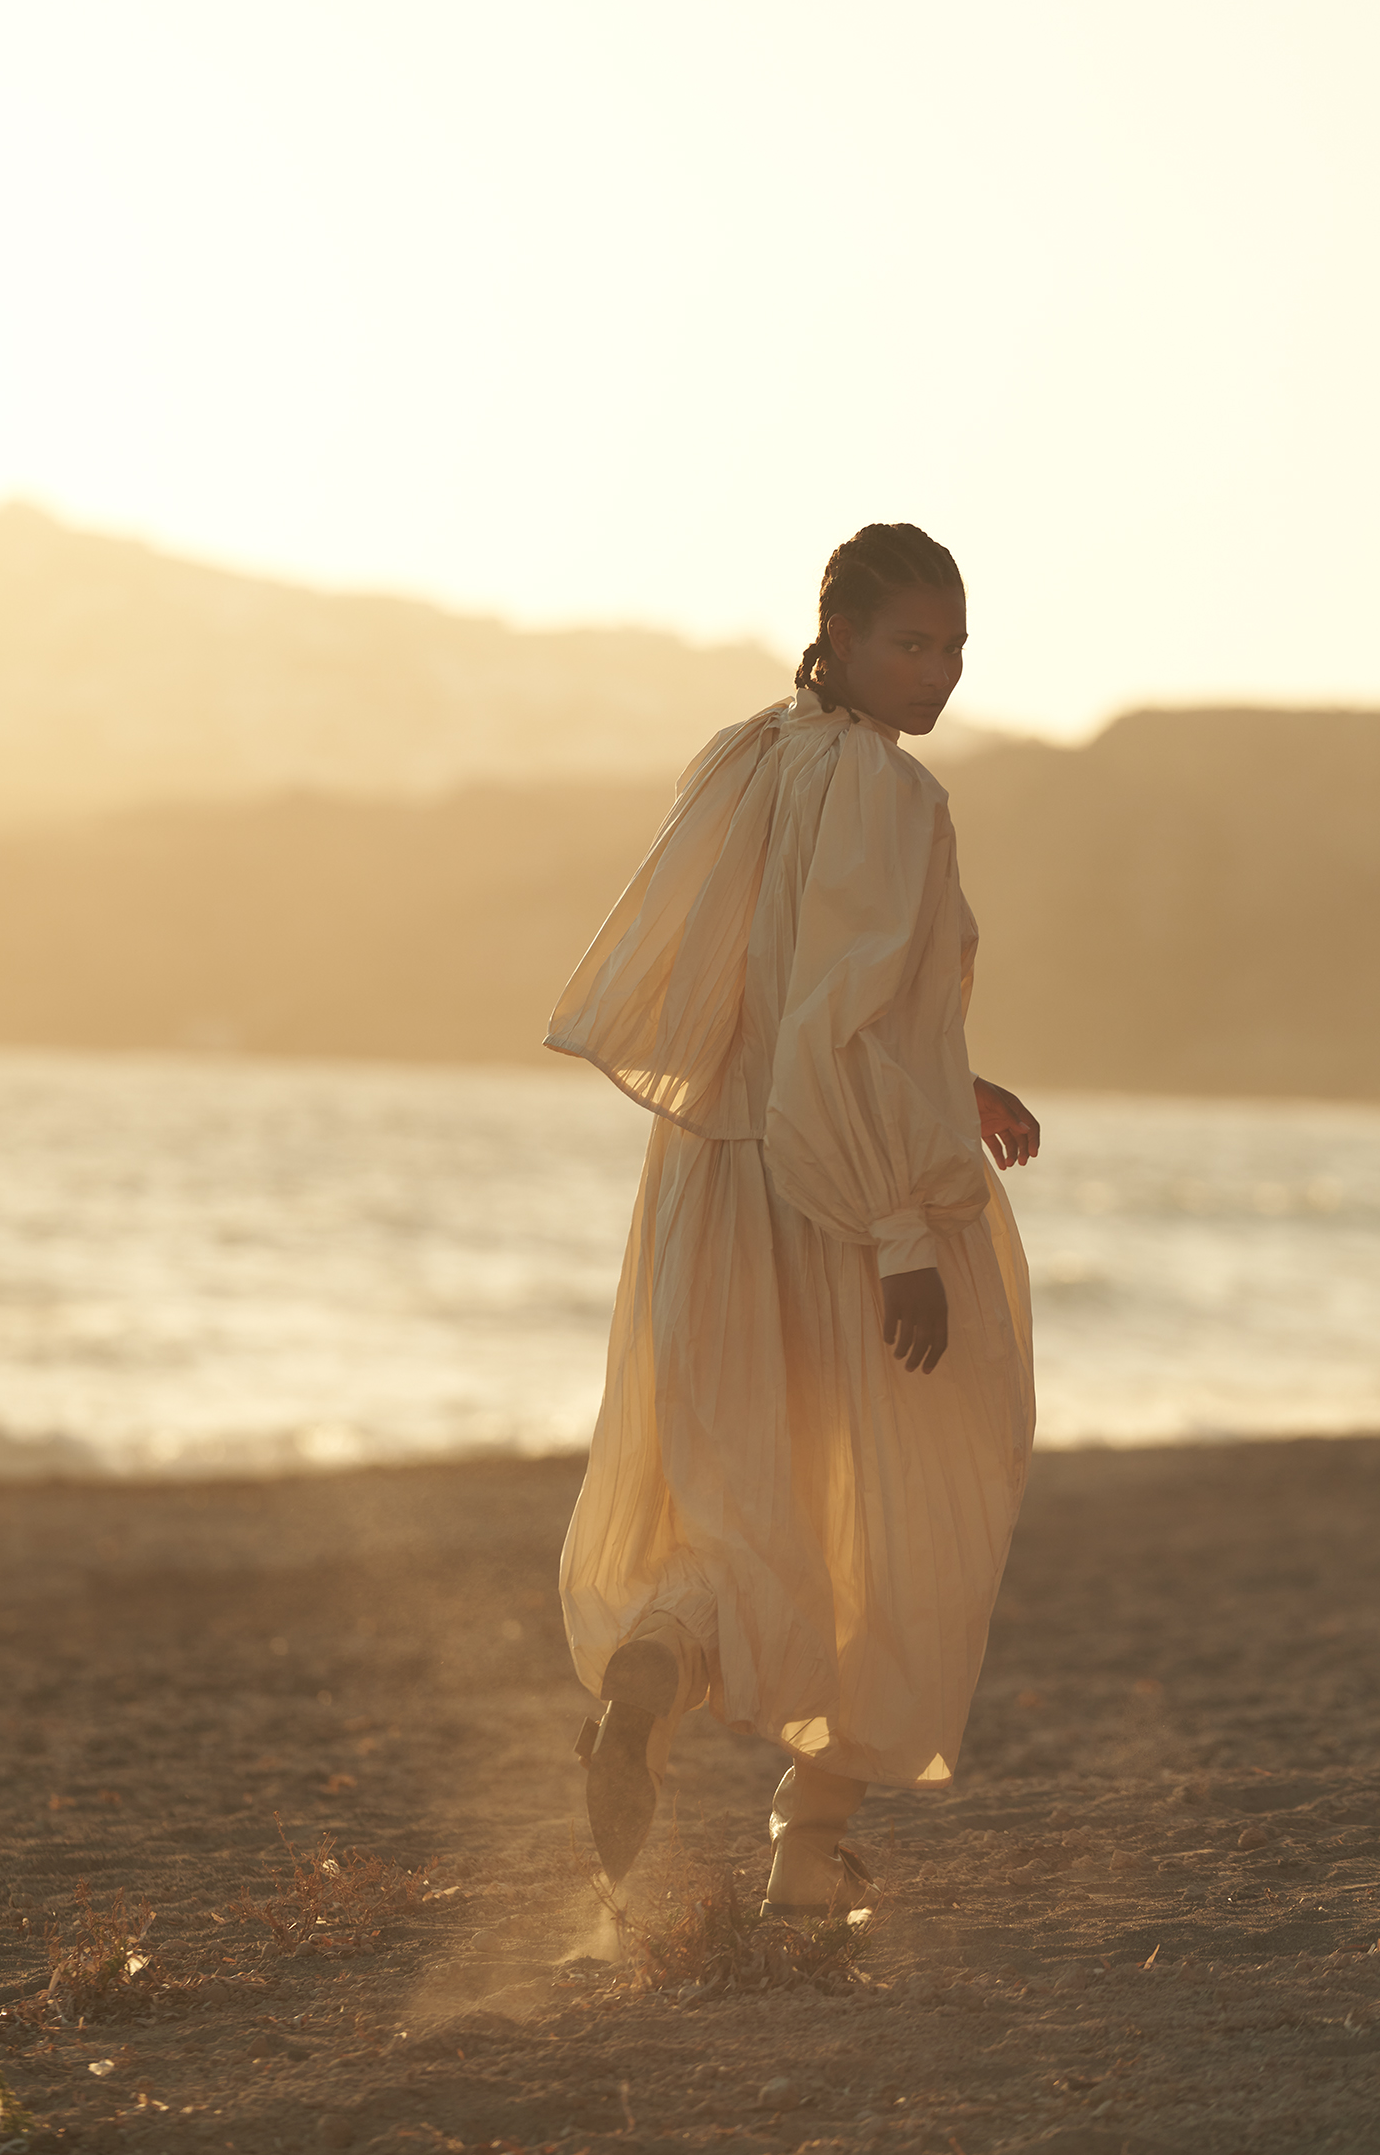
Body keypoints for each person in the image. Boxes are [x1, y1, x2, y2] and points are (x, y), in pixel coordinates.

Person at [545, 521, 1038, 1916]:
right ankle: (811, 1847)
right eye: (910, 643)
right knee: (913, 1495)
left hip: (716, 1184)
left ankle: (661, 1659)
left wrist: (957, 1072)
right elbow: (832, 1029)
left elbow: (778, 1001)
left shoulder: (750, 755)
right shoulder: (889, 793)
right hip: (841, 1193)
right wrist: (895, 1238)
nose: (935, 674)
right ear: (842, 633)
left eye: (953, 648)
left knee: (745, 1499)